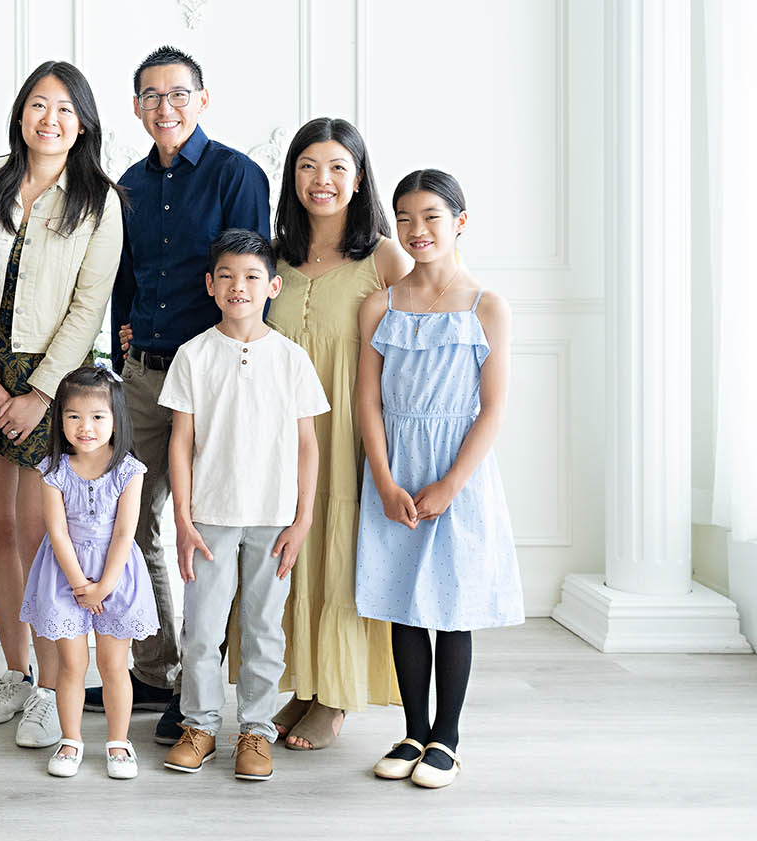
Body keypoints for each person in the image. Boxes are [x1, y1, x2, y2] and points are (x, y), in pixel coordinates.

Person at [98, 45, 270, 747]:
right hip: (143, 374)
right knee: (133, 525)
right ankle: (156, 664)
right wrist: (120, 348)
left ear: (202, 100)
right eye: (150, 96)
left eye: (177, 94)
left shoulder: (237, 174)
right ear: (136, 107)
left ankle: (198, 691)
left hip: (214, 381)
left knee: (203, 533)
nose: (164, 107)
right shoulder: (129, 184)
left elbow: (251, 276)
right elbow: (123, 277)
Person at [0, 61, 123, 752]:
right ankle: (16, 674)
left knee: (41, 539)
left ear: (81, 122)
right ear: (20, 113)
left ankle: (58, 692)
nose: (48, 119)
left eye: (63, 109)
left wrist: (41, 392)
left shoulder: (99, 199)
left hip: (55, 381)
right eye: (36, 105)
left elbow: (89, 305)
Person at [355, 170, 519, 791]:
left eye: (430, 217)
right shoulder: (382, 303)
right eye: (404, 219)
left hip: (458, 472)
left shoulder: (487, 306)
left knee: (451, 607)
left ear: (459, 222)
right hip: (396, 468)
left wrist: (451, 484)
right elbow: (367, 402)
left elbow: (494, 407)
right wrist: (384, 477)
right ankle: (412, 728)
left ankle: (446, 737)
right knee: (403, 602)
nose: (417, 230)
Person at [262, 118, 412, 752]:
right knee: (291, 554)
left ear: (358, 179)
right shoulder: (275, 255)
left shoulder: (380, 255)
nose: (321, 181)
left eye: (337, 169)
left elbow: (429, 313)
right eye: (307, 167)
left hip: (349, 426)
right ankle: (304, 684)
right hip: (280, 429)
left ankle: (337, 696)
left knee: (340, 549)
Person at [159, 229, 329, 783]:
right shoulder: (194, 355)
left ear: (273, 286)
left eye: (253, 277)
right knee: (203, 629)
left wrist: (302, 519)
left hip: (274, 517)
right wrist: (182, 518)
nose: (239, 287)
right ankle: (200, 726)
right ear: (210, 286)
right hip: (209, 515)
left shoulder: (291, 359)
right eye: (227, 277)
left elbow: (308, 444)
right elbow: (180, 441)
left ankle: (256, 731)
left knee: (263, 627)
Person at [17, 367, 156, 780]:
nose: (85, 427)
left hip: (116, 575)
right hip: (65, 575)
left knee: (115, 665)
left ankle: (118, 742)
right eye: (73, 416)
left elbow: (125, 533)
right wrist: (80, 585)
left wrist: (104, 586)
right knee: (71, 666)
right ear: (60, 419)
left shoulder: (129, 471)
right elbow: (57, 533)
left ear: (117, 419)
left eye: (98, 416)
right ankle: (71, 738)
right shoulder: (53, 470)